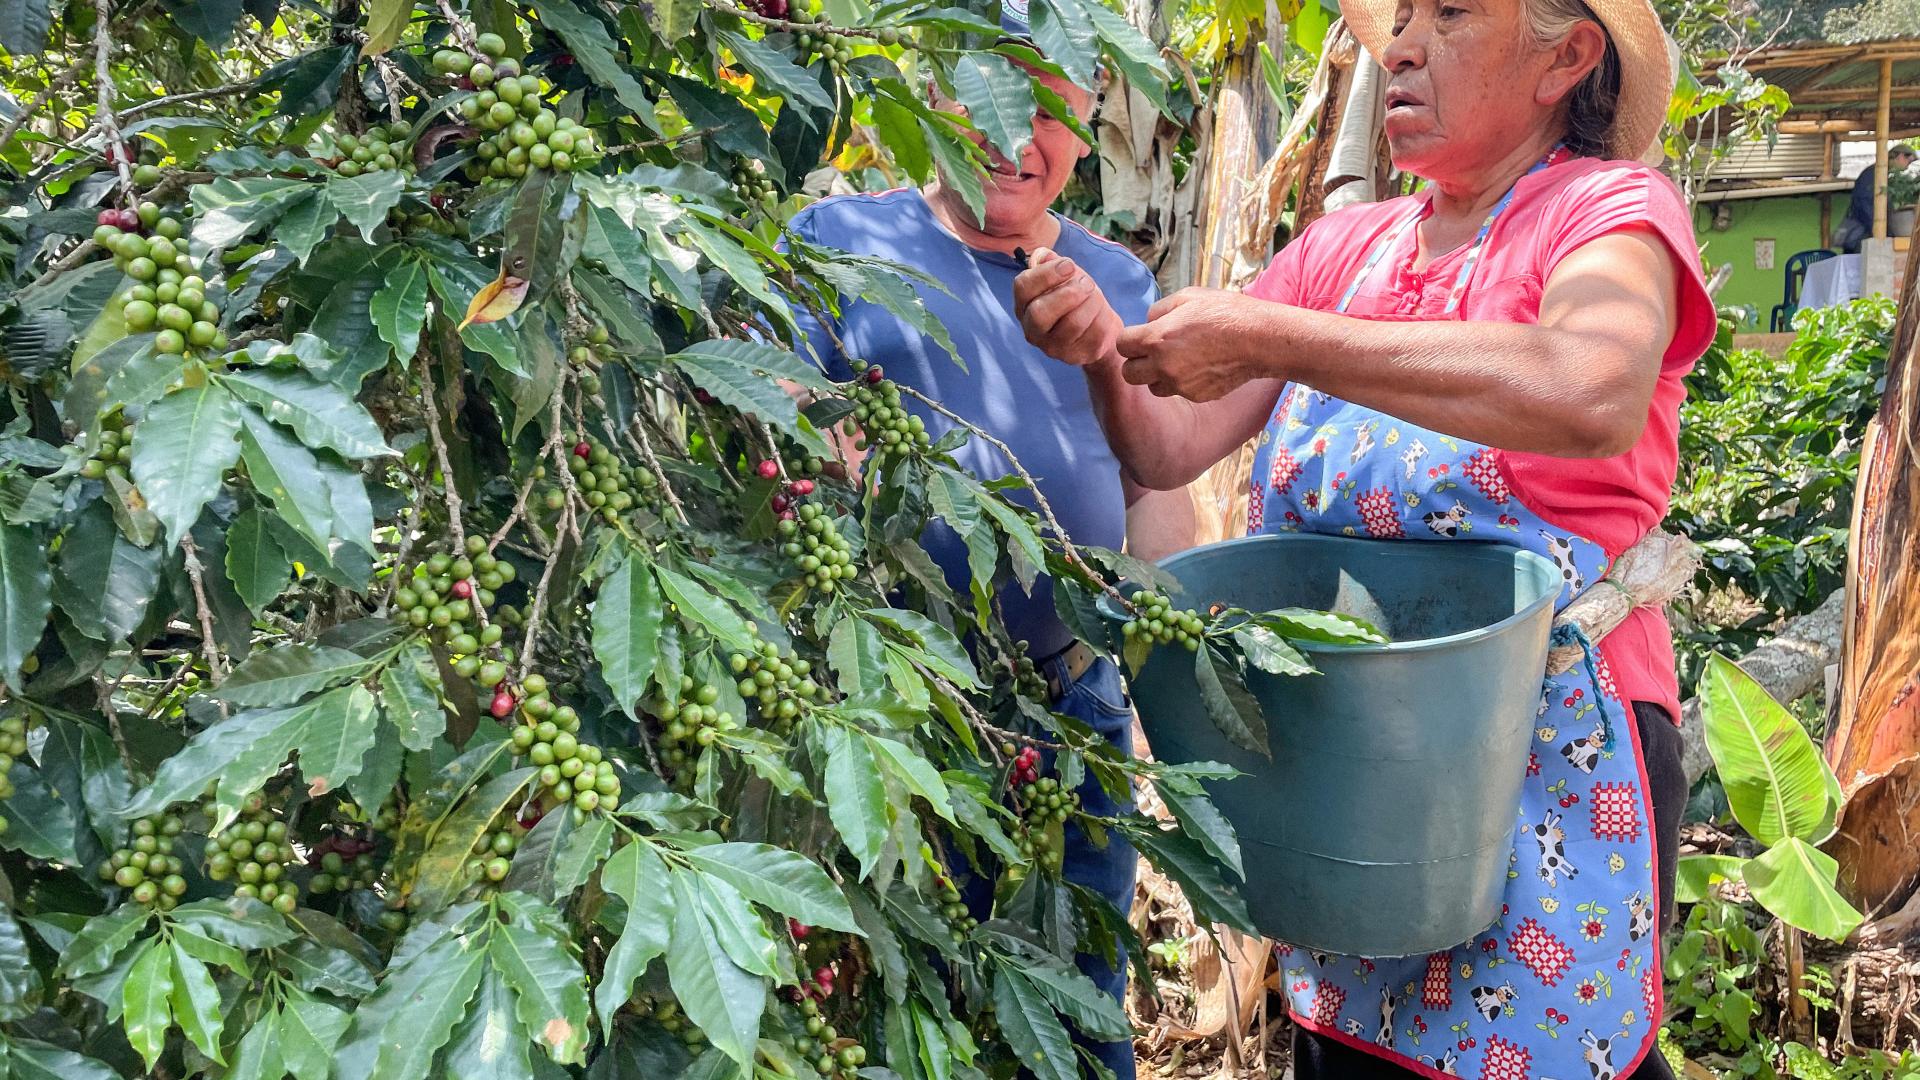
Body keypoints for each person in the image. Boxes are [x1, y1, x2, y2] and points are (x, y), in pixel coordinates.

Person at [1015, 0, 1715, 1075]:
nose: (1402, 46)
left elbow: (1590, 388)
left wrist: (1274, 335)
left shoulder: (1612, 213)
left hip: (1542, 745)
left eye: (1451, 13)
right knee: (1356, 1052)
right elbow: (1170, 448)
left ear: (1567, 58)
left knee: (1543, 1044)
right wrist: (1102, 357)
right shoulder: (1344, 249)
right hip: (1348, 755)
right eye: (1399, 21)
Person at [778, 9, 1164, 1077]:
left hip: (1074, 699)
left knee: (1083, 986)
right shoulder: (838, 243)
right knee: (923, 992)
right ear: (930, 98)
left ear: (1088, 129)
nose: (1016, 131)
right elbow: (770, 446)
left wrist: (1175, 661)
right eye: (989, 94)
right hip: (902, 705)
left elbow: (1152, 487)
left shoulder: (1122, 284)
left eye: (1050, 107)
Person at [1833, 143, 1916, 253]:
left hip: (1868, 232)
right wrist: (1880, 230)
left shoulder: (1883, 175)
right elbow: (1864, 204)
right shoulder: (1872, 174)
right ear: (1900, 156)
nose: (1908, 166)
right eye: (1908, 161)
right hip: (1863, 234)